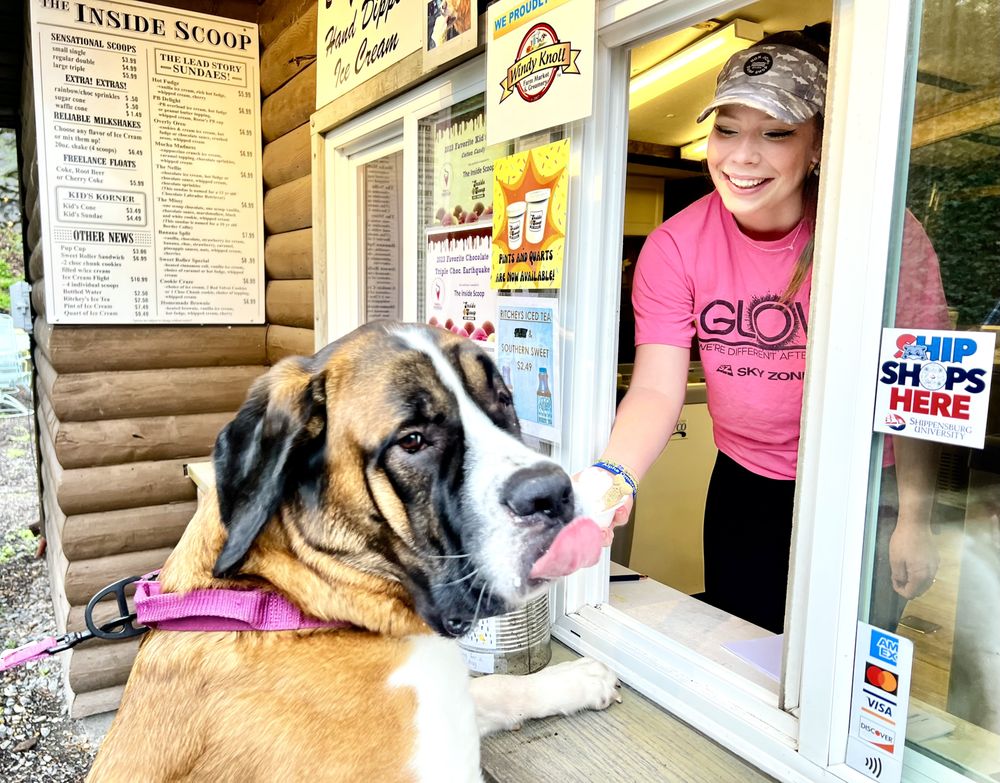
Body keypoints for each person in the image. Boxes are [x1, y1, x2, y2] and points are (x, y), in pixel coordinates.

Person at [578, 23, 949, 634]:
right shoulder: (677, 244)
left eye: (775, 134)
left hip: (863, 490)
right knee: (745, 645)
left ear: (817, 146)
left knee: (847, 658)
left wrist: (915, 516)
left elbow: (915, 385)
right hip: (745, 484)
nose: (741, 156)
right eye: (726, 130)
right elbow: (655, 387)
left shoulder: (882, 234)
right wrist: (613, 477)